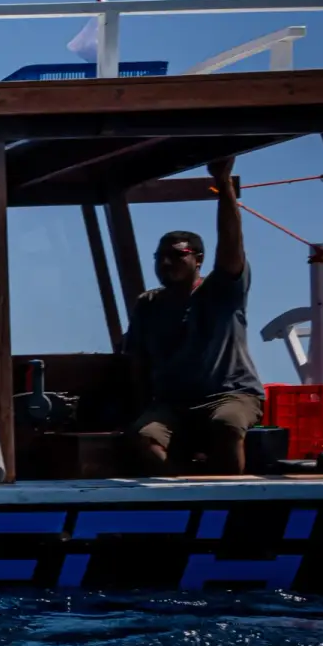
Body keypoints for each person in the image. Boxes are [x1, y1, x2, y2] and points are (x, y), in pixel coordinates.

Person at [124, 156, 262, 474]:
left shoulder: (221, 292)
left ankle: (230, 501)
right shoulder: (148, 304)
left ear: (198, 259)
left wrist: (223, 183)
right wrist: (141, 407)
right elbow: (138, 362)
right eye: (161, 257)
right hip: (174, 404)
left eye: (178, 255)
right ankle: (186, 488)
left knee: (227, 424)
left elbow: (231, 246)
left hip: (230, 395)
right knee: (144, 437)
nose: (167, 263)